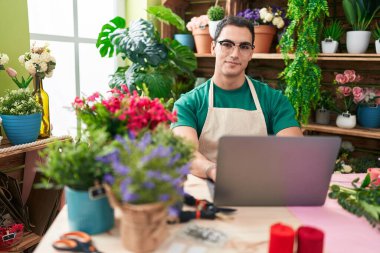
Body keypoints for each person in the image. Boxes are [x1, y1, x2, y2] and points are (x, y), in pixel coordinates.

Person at [171, 16, 303, 182]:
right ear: (213, 47)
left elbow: (295, 151)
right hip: (208, 190)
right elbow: (186, 154)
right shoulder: (188, 104)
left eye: (244, 46)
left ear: (251, 53)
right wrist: (214, 171)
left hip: (259, 185)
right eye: (227, 44)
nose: (235, 54)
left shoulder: (274, 100)